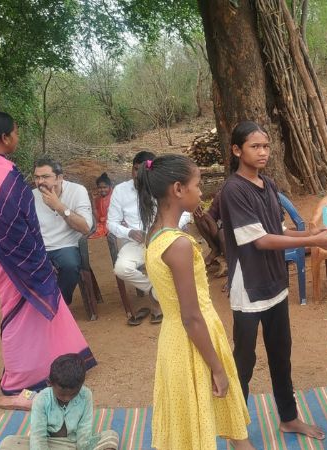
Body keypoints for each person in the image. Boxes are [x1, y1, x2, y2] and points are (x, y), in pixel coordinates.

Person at [219, 121, 327, 441]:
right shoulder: (233, 190)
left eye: (266, 146)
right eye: (255, 146)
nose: (263, 152)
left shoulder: (269, 185)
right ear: (237, 150)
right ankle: (237, 431)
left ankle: (288, 418)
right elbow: (260, 241)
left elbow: (279, 231)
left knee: (280, 354)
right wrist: (312, 242)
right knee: (244, 361)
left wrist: (313, 234)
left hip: (275, 283)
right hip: (248, 287)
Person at [0, 110, 95, 410]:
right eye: (16, 131)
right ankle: (13, 387)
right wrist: (38, 261)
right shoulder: (5, 175)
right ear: (4, 138)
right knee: (17, 318)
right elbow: (20, 225)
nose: (18, 135)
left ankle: (62, 362)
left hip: (0, 253)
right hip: (18, 259)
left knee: (36, 311)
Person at [136, 155, 253, 450]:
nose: (201, 192)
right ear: (178, 189)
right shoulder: (179, 245)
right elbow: (190, 316)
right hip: (193, 341)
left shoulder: (155, 233)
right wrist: (216, 366)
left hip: (180, 339)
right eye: (197, 185)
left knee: (200, 416)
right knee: (202, 413)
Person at [107, 150, 191, 326]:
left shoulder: (162, 187)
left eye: (143, 170)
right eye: (135, 169)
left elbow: (185, 215)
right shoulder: (121, 191)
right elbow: (111, 223)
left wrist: (163, 228)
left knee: (165, 265)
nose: (139, 175)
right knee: (121, 269)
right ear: (131, 169)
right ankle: (156, 292)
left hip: (162, 239)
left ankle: (161, 304)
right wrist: (129, 232)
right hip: (135, 241)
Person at [0, 354, 119, 450]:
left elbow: (84, 429)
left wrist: (84, 446)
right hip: (50, 444)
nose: (67, 398)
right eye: (62, 394)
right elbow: (38, 436)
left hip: (74, 443)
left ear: (81, 385)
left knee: (111, 436)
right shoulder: (41, 399)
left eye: (73, 394)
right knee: (7, 443)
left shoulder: (85, 395)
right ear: (49, 383)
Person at [32, 158, 94, 306]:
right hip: (40, 247)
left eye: (45, 177)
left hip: (67, 245)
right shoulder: (30, 196)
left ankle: (59, 306)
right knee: (25, 267)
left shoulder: (77, 191)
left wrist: (59, 206)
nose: (40, 181)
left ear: (60, 177)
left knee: (69, 265)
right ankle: (39, 308)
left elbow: (85, 227)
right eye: (37, 177)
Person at [194, 184, 227, 277]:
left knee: (222, 233)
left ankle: (228, 263)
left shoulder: (240, 197)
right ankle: (215, 249)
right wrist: (201, 212)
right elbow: (211, 216)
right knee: (200, 216)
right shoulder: (220, 196)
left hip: (236, 237)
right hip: (223, 236)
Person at [90, 173, 113, 239]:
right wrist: (93, 201)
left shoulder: (114, 196)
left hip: (112, 222)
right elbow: (97, 218)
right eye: (100, 188)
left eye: (104, 187)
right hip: (101, 223)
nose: (102, 190)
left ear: (110, 187)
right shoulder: (98, 198)